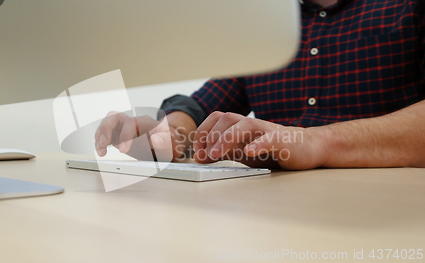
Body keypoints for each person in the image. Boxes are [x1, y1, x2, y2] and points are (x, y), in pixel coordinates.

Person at [95, 0, 425, 170]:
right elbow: (201, 107)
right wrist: (166, 135)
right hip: (274, 215)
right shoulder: (268, 31)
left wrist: (316, 141)